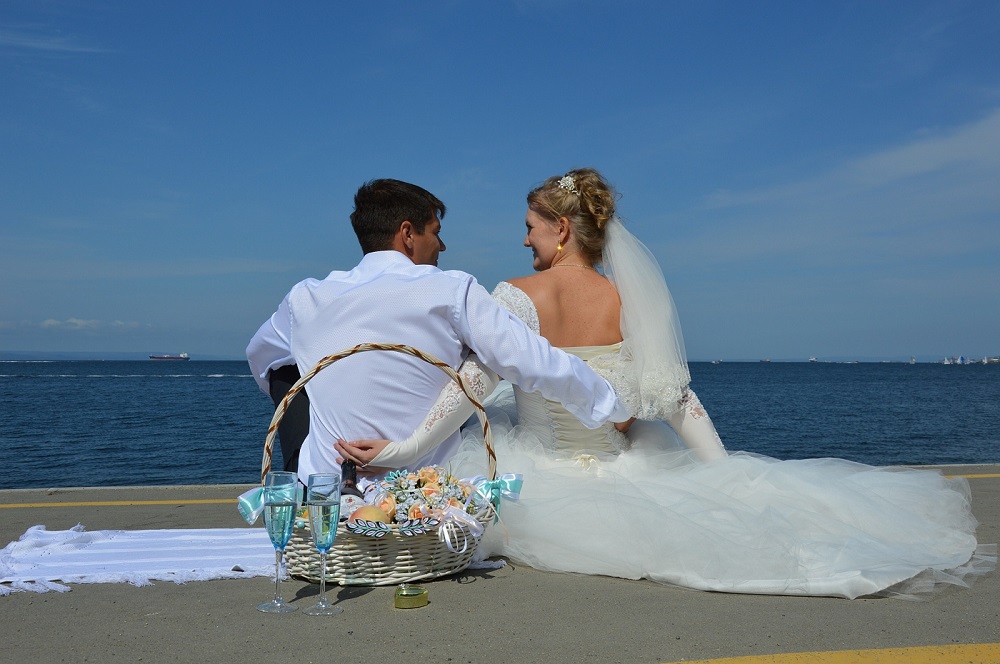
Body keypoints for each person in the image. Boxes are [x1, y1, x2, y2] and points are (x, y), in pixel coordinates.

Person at [339, 168, 994, 599]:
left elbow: (471, 387)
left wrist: (399, 449)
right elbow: (678, 400)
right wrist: (726, 474)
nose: (524, 238)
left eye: (532, 226)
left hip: (541, 481)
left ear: (562, 229)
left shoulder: (515, 296)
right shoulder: (632, 301)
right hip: (623, 469)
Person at [246, 178, 630, 486]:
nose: (443, 245)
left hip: (327, 489)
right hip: (425, 495)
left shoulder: (306, 297)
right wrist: (608, 402)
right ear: (407, 233)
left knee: (289, 371)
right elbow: (532, 359)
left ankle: (302, 471)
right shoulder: (451, 290)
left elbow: (261, 358)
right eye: (436, 232)